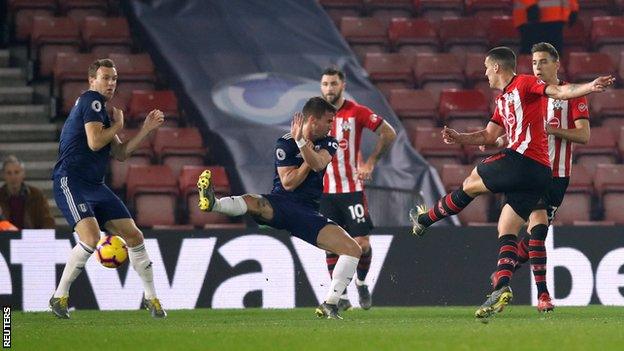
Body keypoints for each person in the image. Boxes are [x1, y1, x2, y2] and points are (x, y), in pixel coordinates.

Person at [408, 46, 613, 321]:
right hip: (539, 174)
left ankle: (426, 219)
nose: (483, 74)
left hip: (525, 163)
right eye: (535, 62)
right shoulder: (503, 100)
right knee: (508, 226)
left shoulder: (526, 83)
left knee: (472, 182)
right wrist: (460, 138)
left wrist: (590, 86)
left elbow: (562, 93)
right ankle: (502, 285)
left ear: (496, 67)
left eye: (485, 68)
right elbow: (489, 135)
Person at [198, 97, 362, 320]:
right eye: (329, 121)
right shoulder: (285, 142)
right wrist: (306, 153)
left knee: (353, 249)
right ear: (313, 120)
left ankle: (330, 304)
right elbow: (289, 183)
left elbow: (319, 164)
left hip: (307, 212)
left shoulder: (330, 141)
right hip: (281, 204)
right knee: (254, 201)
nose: (331, 126)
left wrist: (304, 147)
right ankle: (213, 203)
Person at [50, 58, 167, 319]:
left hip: (95, 185)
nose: (111, 83)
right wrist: (118, 125)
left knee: (135, 236)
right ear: (92, 80)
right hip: (72, 180)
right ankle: (59, 296)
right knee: (91, 239)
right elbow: (94, 143)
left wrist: (146, 129)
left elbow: (121, 153)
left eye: (114, 78)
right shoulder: (91, 100)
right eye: (106, 77)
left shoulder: (100, 111)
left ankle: (151, 299)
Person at [488, 42, 591, 313]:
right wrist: (502, 138)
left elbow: (584, 135)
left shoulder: (570, 95)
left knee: (535, 238)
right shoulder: (530, 93)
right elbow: (515, 129)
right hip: (530, 172)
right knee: (537, 227)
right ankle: (542, 295)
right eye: (534, 63)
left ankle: (505, 269)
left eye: (544, 61)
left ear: (557, 63)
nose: (538, 67)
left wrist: (553, 131)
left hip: (558, 176)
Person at [319, 68, 396, 311]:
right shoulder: (316, 115)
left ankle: (361, 283)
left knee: (361, 243)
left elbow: (388, 132)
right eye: (325, 84)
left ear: (342, 85)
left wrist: (371, 161)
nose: (329, 88)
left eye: (333, 83)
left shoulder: (357, 112)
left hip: (352, 190)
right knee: (332, 244)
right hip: (325, 192)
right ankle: (339, 295)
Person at [0, 155, 55, 229]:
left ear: (23, 174)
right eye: (9, 173)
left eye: (17, 172)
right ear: (3, 175)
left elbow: (47, 221)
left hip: (31, 238)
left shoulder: (36, 195)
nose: (13, 177)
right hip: (5, 237)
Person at [514, 0, 579, 55]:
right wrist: (530, 5)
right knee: (533, 58)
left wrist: (573, 8)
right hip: (533, 19)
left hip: (556, 19)